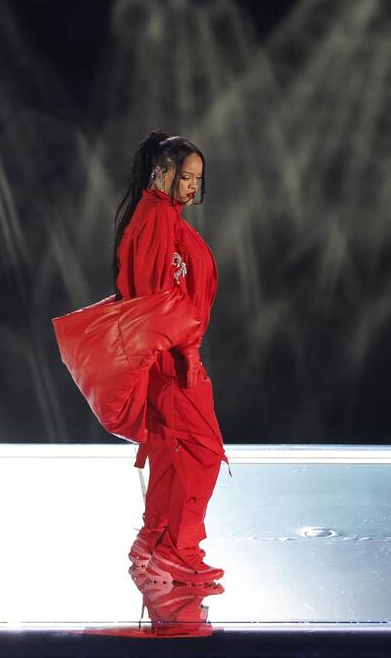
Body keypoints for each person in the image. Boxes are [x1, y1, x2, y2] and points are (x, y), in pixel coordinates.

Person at [112, 130, 227, 586]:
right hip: (172, 359)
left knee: (170, 453)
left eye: (198, 178)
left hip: (170, 355)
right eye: (186, 176)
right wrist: (187, 350)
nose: (193, 186)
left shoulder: (160, 216)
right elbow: (156, 297)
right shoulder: (157, 219)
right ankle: (177, 553)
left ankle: (154, 543)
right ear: (162, 172)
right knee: (200, 454)